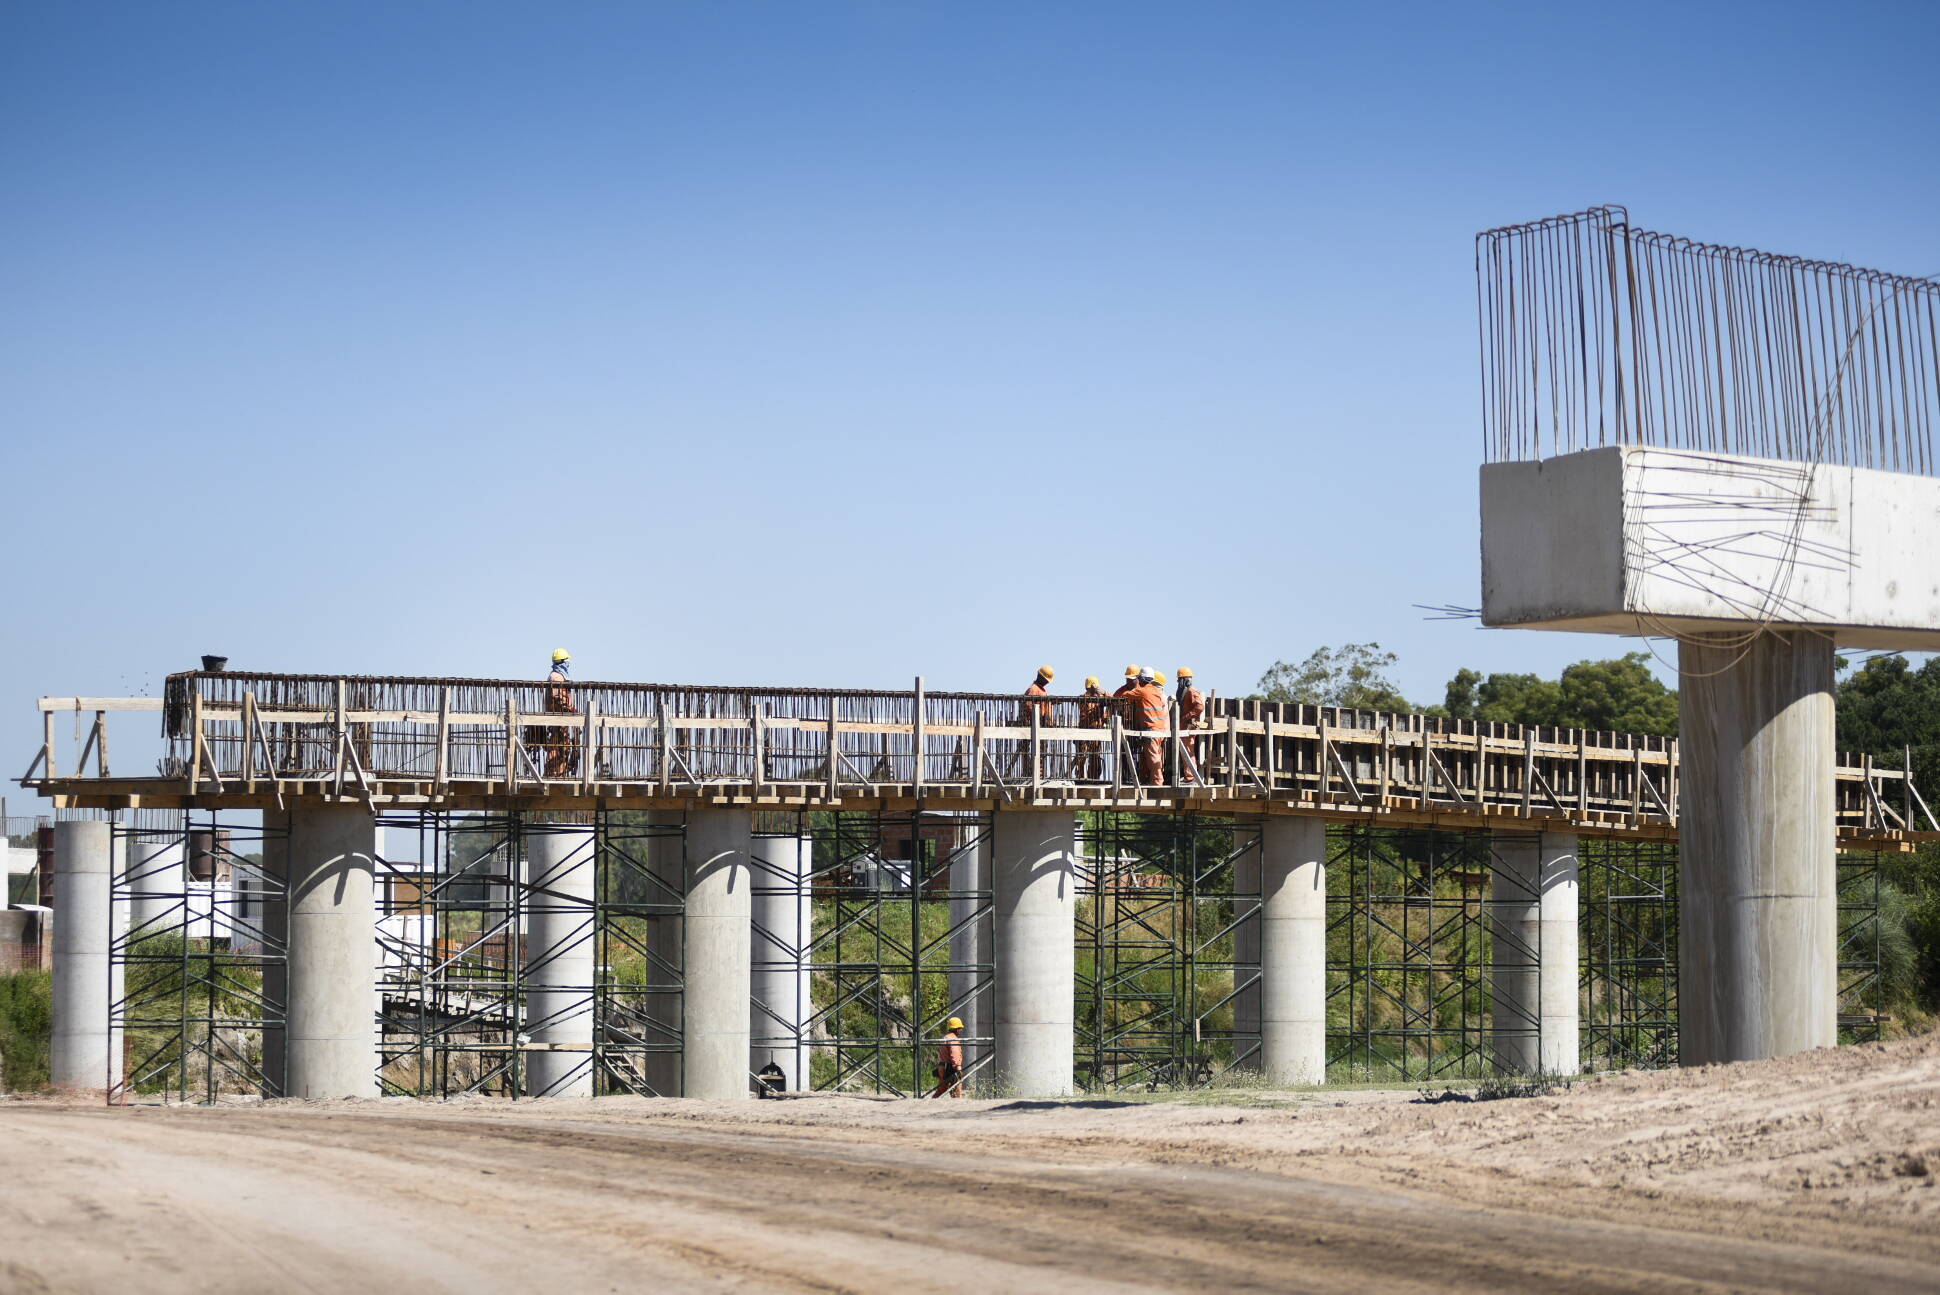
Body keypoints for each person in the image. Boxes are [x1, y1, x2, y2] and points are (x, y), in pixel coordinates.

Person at [535, 648, 580, 778]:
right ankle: (553, 773)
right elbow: (556, 695)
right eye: (567, 660)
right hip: (557, 717)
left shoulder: (561, 675)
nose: (568, 663)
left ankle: (559, 773)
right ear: (562, 661)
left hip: (561, 717)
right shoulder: (556, 676)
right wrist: (568, 708)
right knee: (556, 746)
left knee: (563, 746)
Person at [1127, 668, 1169, 785]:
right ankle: (1149, 780)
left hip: (1151, 729)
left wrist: (1129, 686)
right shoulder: (1156, 691)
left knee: (1153, 756)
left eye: (1139, 678)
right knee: (1153, 756)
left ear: (1142, 678)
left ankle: (1157, 782)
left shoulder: (1143, 691)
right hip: (1160, 729)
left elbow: (1126, 695)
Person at [1015, 665, 1055, 780]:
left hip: (1041, 726)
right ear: (1040, 676)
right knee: (1035, 753)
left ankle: (1039, 776)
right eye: (1046, 680)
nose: (1047, 683)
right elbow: (1028, 708)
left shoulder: (1042, 689)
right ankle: (1033, 776)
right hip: (1034, 727)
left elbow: (1042, 706)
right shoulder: (1034, 689)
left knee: (1041, 754)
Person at [1175, 667, 1206, 783]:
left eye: (1180, 680)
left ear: (1185, 680)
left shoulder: (1191, 691)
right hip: (1184, 727)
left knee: (1188, 751)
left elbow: (1200, 706)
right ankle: (1189, 775)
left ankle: (1191, 776)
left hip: (1189, 727)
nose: (1178, 683)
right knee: (1186, 751)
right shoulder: (1186, 692)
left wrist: (1187, 716)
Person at [1076, 675, 1109, 781]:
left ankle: (1093, 779)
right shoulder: (1083, 698)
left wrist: (1103, 693)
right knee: (1082, 757)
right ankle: (1080, 779)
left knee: (1094, 758)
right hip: (1085, 733)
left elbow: (1112, 700)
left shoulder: (1100, 699)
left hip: (1096, 734)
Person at [930, 1016, 966, 1098]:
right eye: (960, 1028)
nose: (961, 1030)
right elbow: (955, 1054)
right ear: (957, 1029)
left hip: (942, 1067)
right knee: (957, 1090)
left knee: (941, 1090)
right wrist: (958, 1069)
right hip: (950, 1068)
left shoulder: (945, 1037)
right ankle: (958, 1107)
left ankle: (931, 1103)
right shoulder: (954, 1039)